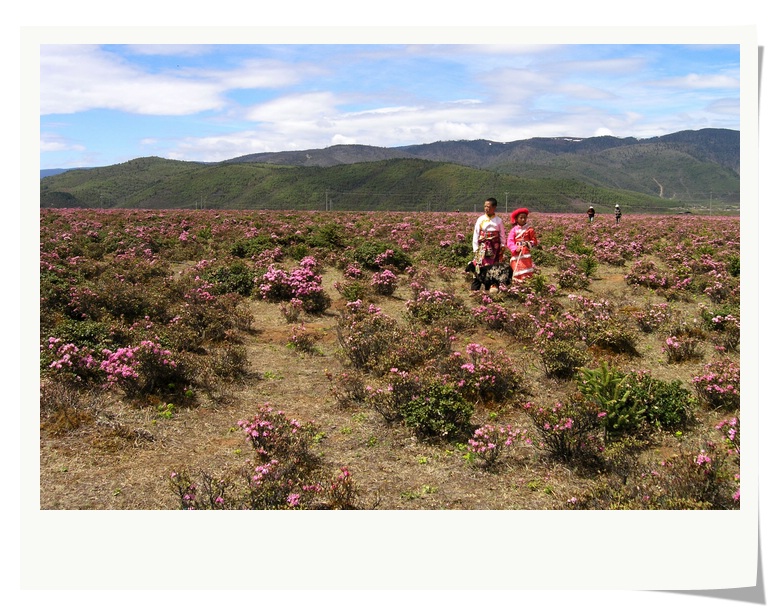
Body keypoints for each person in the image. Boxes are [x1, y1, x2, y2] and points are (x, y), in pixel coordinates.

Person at [470, 197, 507, 291]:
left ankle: (491, 288)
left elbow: (502, 235)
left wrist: (503, 246)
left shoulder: (499, 220)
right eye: (485, 206)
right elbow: (476, 234)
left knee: (493, 267)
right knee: (479, 265)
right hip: (482, 247)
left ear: (494, 207)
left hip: (495, 248)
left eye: (488, 206)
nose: (486, 208)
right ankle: (475, 288)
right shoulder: (480, 219)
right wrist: (475, 248)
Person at [507, 207, 539, 281]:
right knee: (516, 268)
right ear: (516, 219)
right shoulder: (513, 230)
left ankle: (526, 283)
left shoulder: (530, 229)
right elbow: (510, 241)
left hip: (525, 253)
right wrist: (515, 248)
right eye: (521, 218)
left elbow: (534, 241)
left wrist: (528, 244)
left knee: (526, 268)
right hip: (516, 253)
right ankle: (517, 283)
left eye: (525, 218)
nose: (523, 219)